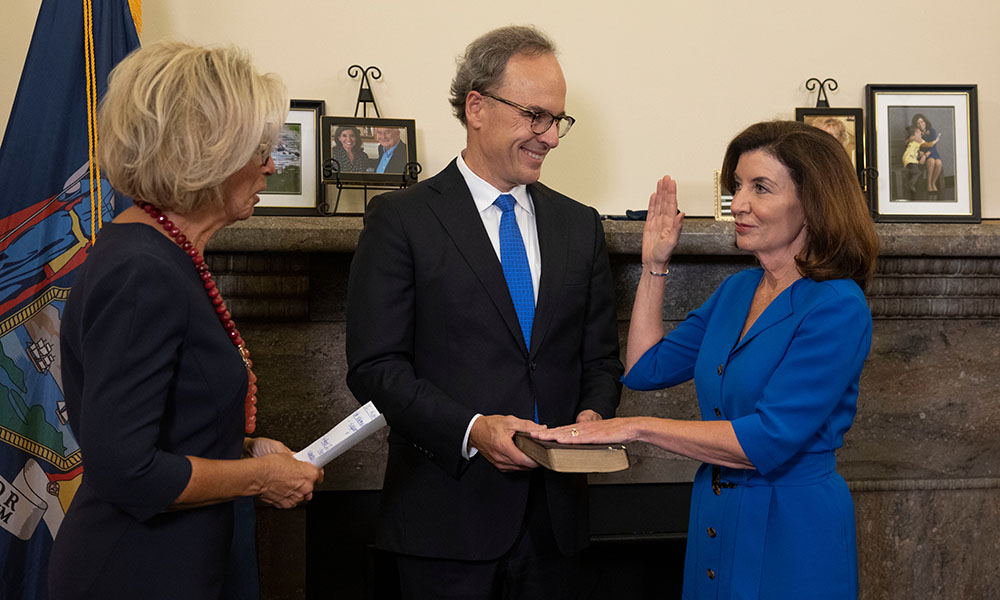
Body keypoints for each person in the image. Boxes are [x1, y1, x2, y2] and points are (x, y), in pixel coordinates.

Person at [535, 120, 879, 599]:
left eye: (760, 187)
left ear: (814, 203)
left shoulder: (838, 307)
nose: (738, 202)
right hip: (716, 511)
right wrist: (654, 264)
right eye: (737, 185)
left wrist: (635, 427)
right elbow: (644, 367)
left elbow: (768, 439)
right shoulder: (738, 290)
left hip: (793, 526)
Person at [346, 25, 622, 599]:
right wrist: (473, 430)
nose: (549, 136)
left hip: (557, 530)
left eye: (557, 120)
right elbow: (376, 368)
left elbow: (599, 360)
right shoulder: (401, 221)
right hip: (445, 525)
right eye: (534, 116)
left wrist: (593, 417)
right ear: (477, 107)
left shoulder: (579, 226)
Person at [48, 41, 324, 600]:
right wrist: (260, 477)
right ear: (206, 152)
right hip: (135, 572)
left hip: (178, 563)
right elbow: (126, 469)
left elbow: (168, 424)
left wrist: (247, 449)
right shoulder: (141, 269)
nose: (271, 165)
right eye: (259, 150)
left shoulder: (163, 252)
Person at [912, 113, 943, 194]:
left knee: (939, 163)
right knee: (931, 161)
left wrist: (926, 155)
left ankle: (933, 183)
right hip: (923, 154)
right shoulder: (917, 133)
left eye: (922, 122)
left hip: (932, 152)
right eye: (918, 123)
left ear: (925, 121)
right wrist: (920, 152)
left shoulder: (932, 131)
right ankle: (928, 184)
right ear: (916, 125)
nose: (921, 124)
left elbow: (934, 145)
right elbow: (916, 145)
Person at [902, 125, 929, 196]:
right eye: (918, 132)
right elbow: (909, 140)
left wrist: (922, 154)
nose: (920, 133)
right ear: (913, 135)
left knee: (918, 171)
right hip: (909, 158)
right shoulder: (912, 139)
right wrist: (914, 137)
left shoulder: (920, 141)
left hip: (912, 159)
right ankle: (909, 184)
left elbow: (927, 145)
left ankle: (911, 184)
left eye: (920, 132)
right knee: (917, 172)